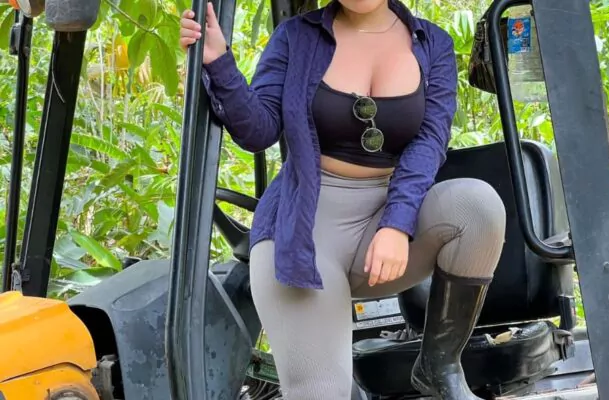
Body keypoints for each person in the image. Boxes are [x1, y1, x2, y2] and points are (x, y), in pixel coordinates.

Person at [179, 0, 506, 398]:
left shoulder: (432, 44)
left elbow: (429, 142)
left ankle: (440, 365)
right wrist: (218, 61)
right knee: (321, 392)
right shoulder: (296, 37)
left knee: (477, 206)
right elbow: (258, 131)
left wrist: (396, 223)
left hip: (387, 228)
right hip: (304, 230)